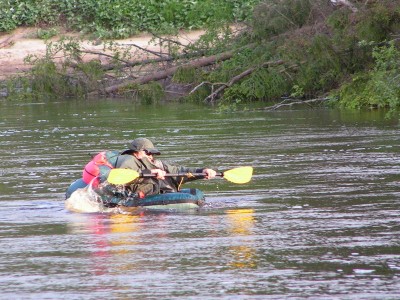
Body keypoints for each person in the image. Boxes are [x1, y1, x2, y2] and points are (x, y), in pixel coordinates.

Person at [115, 137, 217, 197]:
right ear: (136, 153)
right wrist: (149, 173)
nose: (151, 156)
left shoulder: (156, 164)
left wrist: (202, 171)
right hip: (137, 198)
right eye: (148, 152)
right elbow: (121, 177)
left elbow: (178, 171)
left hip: (160, 194)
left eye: (152, 153)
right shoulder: (128, 159)